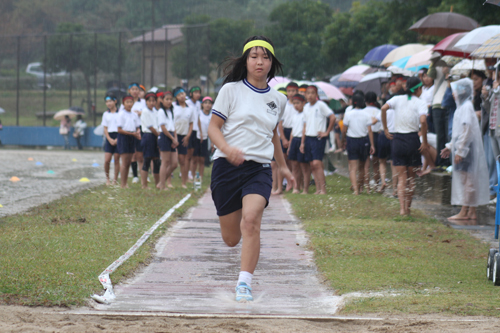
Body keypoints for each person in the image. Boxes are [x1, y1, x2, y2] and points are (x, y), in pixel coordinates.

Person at [208, 35, 294, 302]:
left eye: (265, 57)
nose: (259, 62)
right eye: (254, 56)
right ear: (245, 61)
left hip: (258, 169)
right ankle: (242, 271)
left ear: (272, 63)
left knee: (251, 220)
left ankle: (244, 283)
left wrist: (284, 167)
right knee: (231, 239)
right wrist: (228, 148)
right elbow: (213, 128)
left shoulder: (278, 100)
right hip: (226, 167)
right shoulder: (230, 91)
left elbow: (273, 135)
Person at [441, 78, 489, 220]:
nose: (454, 94)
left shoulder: (466, 106)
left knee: (468, 180)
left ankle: (465, 211)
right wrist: (450, 147)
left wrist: (461, 151)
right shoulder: (463, 107)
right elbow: (459, 132)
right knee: (468, 180)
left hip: (467, 150)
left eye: (455, 91)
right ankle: (471, 211)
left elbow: (467, 130)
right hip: (465, 148)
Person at [381, 77, 429, 215]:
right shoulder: (420, 103)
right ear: (419, 89)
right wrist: (424, 141)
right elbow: (423, 121)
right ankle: (408, 208)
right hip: (413, 139)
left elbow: (384, 108)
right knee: (411, 178)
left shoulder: (397, 99)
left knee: (402, 177)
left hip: (397, 140)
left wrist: (385, 128)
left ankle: (402, 209)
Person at [300, 85, 336, 195]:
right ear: (305, 95)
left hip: (318, 138)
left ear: (316, 95)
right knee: (311, 165)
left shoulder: (321, 105)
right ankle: (317, 189)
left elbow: (333, 117)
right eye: (308, 93)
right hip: (308, 138)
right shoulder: (305, 107)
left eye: (312, 93)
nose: (310, 95)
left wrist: (327, 132)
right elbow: (305, 125)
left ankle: (323, 189)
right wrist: (302, 142)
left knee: (317, 163)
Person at [342, 94, 375, 195]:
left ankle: (356, 190)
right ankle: (360, 187)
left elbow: (344, 129)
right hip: (363, 141)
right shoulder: (366, 114)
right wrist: (372, 145)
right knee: (362, 167)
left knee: (353, 167)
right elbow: (369, 131)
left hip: (352, 140)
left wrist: (343, 140)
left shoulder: (348, 114)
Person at [428, 59, 450, 167]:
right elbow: (430, 75)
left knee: (448, 134)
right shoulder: (437, 64)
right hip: (437, 104)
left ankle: (448, 162)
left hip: (449, 103)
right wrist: (434, 61)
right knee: (440, 136)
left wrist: (449, 72)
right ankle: (441, 162)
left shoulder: (456, 64)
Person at [117, 95, 141, 188]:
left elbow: (137, 126)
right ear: (123, 104)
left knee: (129, 162)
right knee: (124, 161)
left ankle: (125, 182)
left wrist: (138, 131)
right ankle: (122, 184)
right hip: (124, 137)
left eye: (131, 102)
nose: (129, 104)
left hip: (132, 137)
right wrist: (132, 134)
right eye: (127, 102)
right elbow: (119, 129)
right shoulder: (121, 114)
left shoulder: (134, 114)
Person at [287, 93, 310, 194]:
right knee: (294, 165)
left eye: (298, 103)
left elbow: (304, 129)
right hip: (294, 140)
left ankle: (305, 188)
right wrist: (290, 144)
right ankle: (296, 187)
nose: (296, 105)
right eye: (294, 103)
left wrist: (302, 143)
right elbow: (293, 130)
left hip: (302, 139)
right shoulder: (294, 115)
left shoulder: (306, 114)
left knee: (304, 166)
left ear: (303, 103)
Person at [173, 87, 194, 189]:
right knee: (171, 159)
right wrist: (174, 136)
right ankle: (168, 181)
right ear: (176, 97)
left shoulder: (189, 108)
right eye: (179, 95)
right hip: (174, 135)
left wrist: (188, 136)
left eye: (183, 94)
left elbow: (191, 123)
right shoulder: (173, 107)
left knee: (183, 160)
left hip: (184, 136)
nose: (182, 96)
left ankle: (184, 182)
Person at [157, 91, 179, 190]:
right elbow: (163, 127)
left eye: (171, 99)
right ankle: (162, 185)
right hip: (165, 136)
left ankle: (161, 182)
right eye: (167, 99)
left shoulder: (171, 111)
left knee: (174, 163)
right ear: (162, 100)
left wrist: (176, 138)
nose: (169, 101)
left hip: (172, 137)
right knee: (165, 162)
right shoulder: (161, 112)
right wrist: (172, 138)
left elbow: (173, 126)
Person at [140, 92, 160, 189]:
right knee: (147, 160)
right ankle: (144, 184)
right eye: (149, 101)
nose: (152, 103)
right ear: (146, 102)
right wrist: (159, 135)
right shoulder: (145, 111)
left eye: (153, 101)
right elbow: (150, 127)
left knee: (156, 161)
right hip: (148, 136)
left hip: (155, 136)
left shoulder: (155, 112)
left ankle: (157, 184)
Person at [363, 92, 382, 190]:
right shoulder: (379, 111)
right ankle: (376, 185)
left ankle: (367, 187)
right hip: (377, 136)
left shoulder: (363, 111)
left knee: (366, 164)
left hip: (366, 136)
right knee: (376, 164)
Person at [193, 96, 213, 183]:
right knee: (195, 159)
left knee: (202, 159)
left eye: (209, 103)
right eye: (205, 103)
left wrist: (212, 142)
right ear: (202, 104)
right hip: (197, 138)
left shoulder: (212, 116)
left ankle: (200, 177)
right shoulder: (199, 113)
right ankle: (193, 176)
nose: (207, 105)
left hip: (205, 139)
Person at [101, 94, 121, 185]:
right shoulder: (106, 114)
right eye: (107, 102)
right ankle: (107, 178)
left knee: (117, 159)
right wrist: (109, 139)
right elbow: (105, 128)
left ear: (115, 101)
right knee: (107, 160)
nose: (108, 103)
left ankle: (115, 179)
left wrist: (117, 139)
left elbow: (122, 127)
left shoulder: (120, 113)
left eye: (110, 101)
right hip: (109, 137)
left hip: (118, 136)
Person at [187, 86, 202, 182]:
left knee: (195, 155)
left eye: (199, 92)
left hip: (196, 131)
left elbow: (198, 118)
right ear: (191, 94)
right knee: (188, 154)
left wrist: (201, 131)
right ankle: (186, 172)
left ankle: (192, 174)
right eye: (195, 92)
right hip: (189, 130)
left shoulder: (198, 104)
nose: (197, 94)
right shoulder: (187, 103)